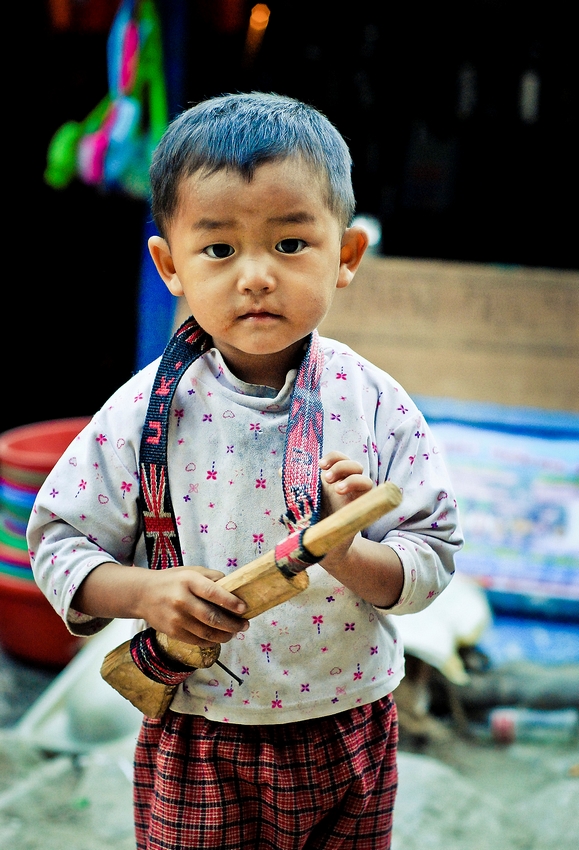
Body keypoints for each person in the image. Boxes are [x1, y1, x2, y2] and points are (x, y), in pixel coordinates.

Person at [27, 92, 463, 850]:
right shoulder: (140, 414)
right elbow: (57, 543)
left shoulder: (376, 408)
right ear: (170, 264)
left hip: (350, 719)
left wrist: (349, 554)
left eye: (290, 245)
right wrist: (146, 593)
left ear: (346, 256)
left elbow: (431, 560)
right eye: (220, 249)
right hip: (200, 729)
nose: (256, 276)